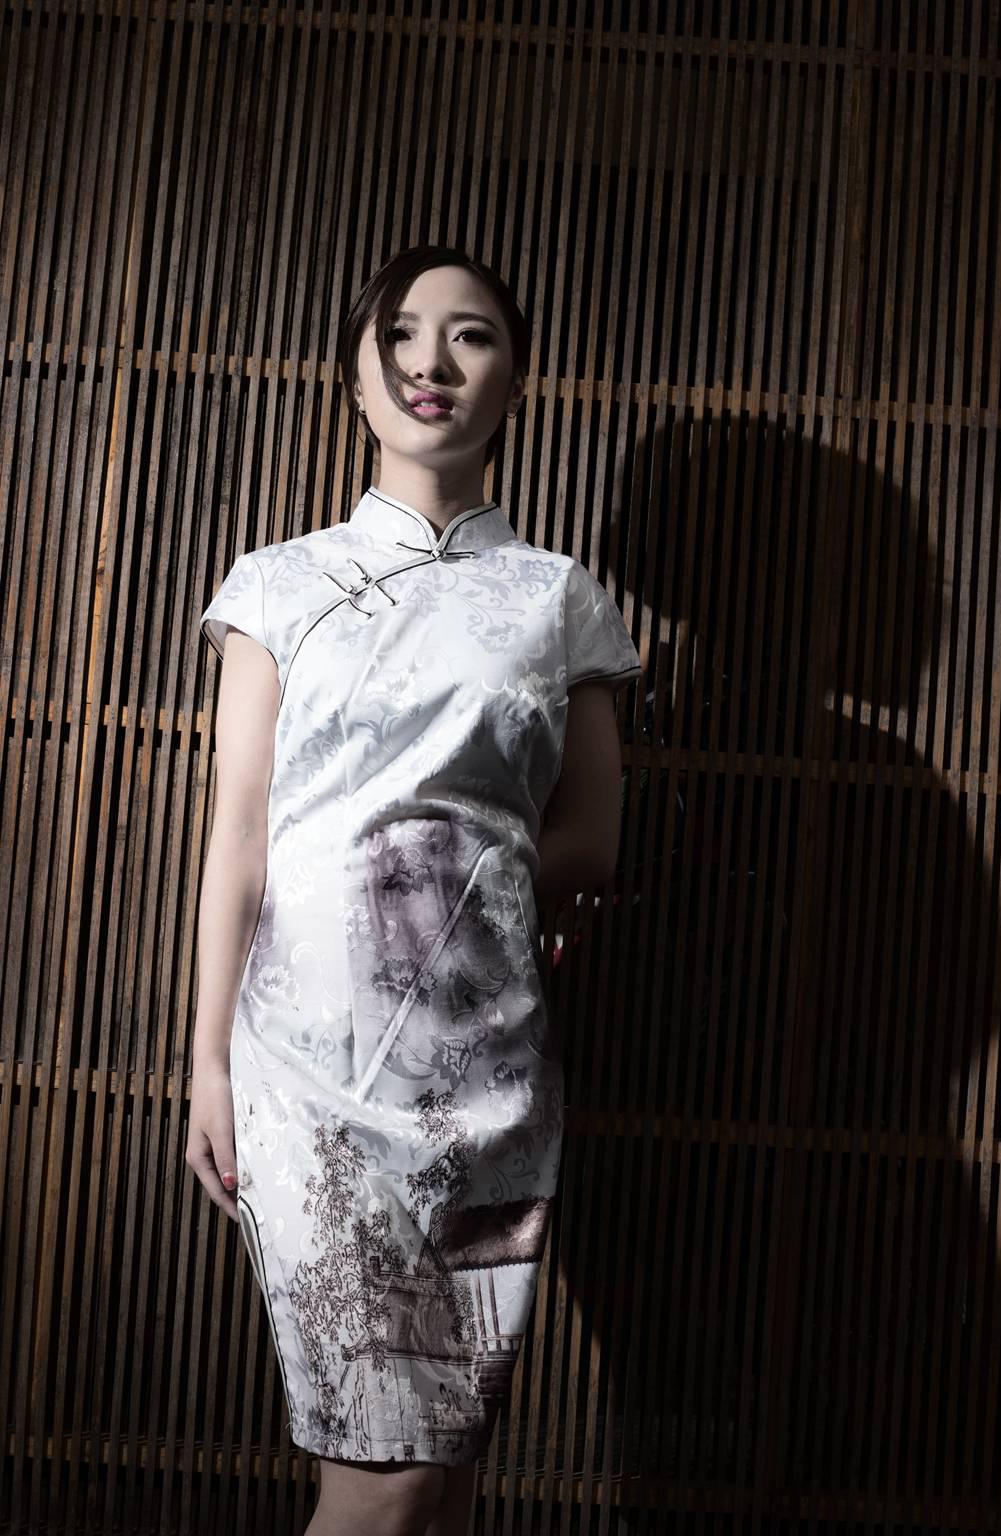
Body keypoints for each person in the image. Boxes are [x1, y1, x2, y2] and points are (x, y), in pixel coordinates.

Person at [187, 245, 643, 1536]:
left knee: (440, 1485)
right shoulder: (279, 584)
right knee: (381, 1484)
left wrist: (454, 882)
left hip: (486, 1073)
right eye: (400, 333)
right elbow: (238, 835)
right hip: (306, 1072)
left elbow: (595, 837)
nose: (431, 362)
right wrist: (207, 1062)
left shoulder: (556, 597)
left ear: (516, 381)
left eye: (471, 335)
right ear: (355, 374)